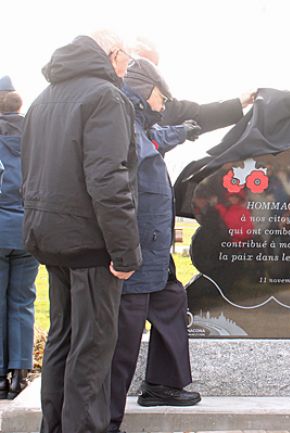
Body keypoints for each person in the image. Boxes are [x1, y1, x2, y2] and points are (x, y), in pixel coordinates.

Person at [21, 31, 142, 433]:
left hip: (52, 238)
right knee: (91, 350)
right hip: (91, 243)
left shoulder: (43, 99)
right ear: (111, 54)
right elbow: (108, 180)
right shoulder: (105, 97)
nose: (127, 66)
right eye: (126, 58)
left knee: (63, 340)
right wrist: (125, 252)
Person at [107, 58, 205, 433]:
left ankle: (162, 385)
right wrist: (124, 251)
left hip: (154, 252)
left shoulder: (139, 123)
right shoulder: (121, 122)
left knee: (171, 302)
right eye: (162, 97)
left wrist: (183, 132)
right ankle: (106, 420)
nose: (164, 104)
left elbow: (155, 139)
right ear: (145, 90)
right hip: (132, 255)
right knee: (124, 340)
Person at [0, 77, 40, 400]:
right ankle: (20, 374)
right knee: (23, 302)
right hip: (29, 230)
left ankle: (0, 375)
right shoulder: (35, 137)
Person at [132, 36, 255, 131]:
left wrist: (239, 103)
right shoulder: (120, 101)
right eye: (145, 64)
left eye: (154, 67)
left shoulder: (163, 106)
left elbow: (198, 115)